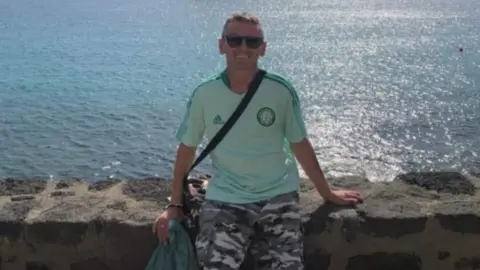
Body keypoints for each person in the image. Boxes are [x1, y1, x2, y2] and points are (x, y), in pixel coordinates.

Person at [153, 12, 362, 270]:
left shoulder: (280, 91)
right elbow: (186, 150)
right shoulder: (205, 94)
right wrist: (174, 205)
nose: (243, 48)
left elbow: (300, 144)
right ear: (222, 45)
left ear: (262, 49)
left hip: (278, 195)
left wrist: (326, 192)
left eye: (252, 42)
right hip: (227, 197)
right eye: (235, 40)